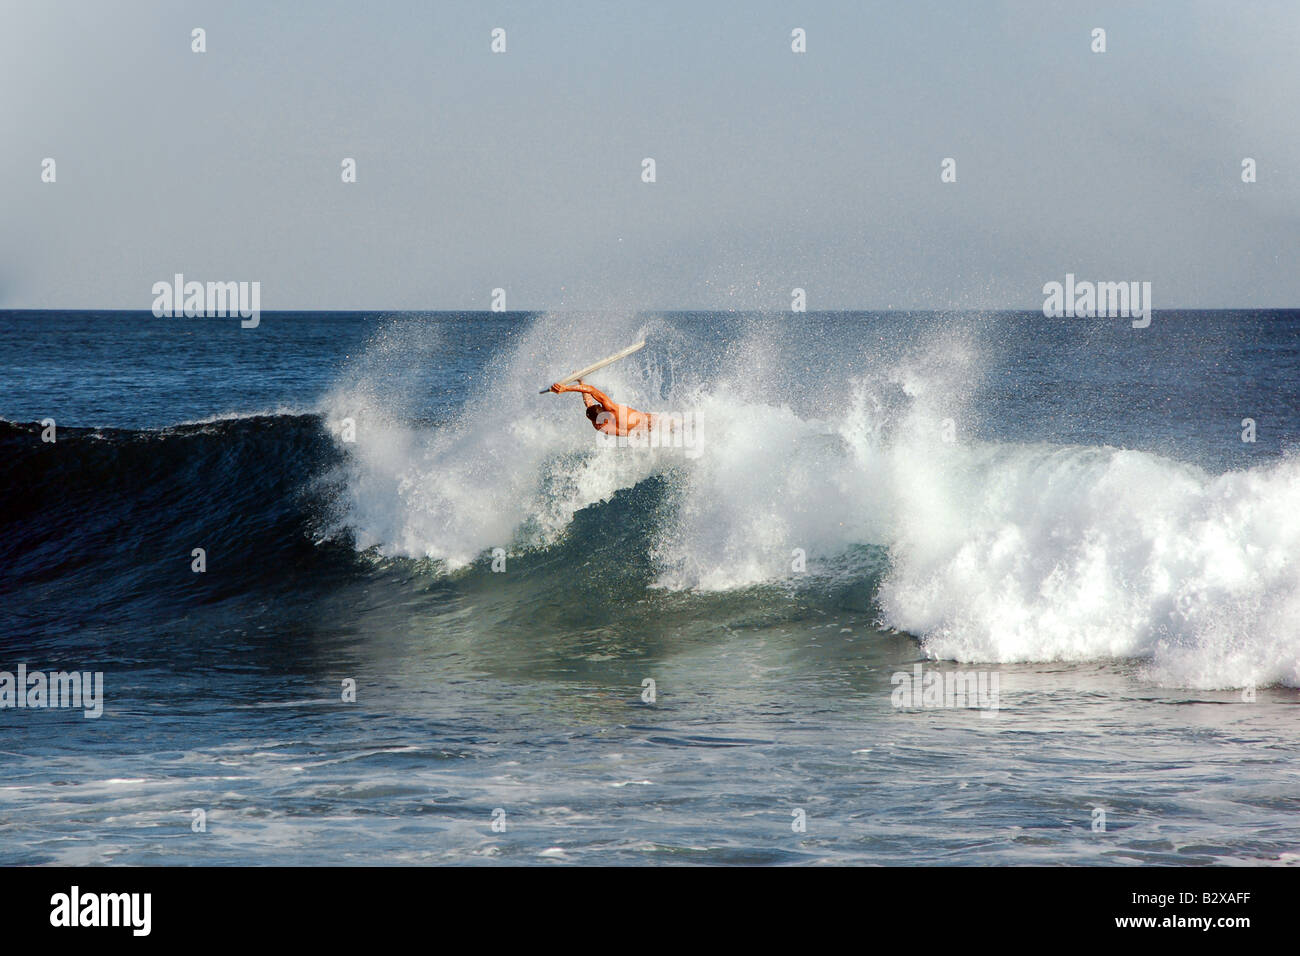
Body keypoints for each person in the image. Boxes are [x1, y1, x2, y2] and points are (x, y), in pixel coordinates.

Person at [549, 380, 654, 436]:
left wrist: (569, 387)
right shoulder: (603, 424)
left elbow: (591, 392)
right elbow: (631, 434)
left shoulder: (611, 410)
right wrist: (577, 385)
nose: (595, 425)